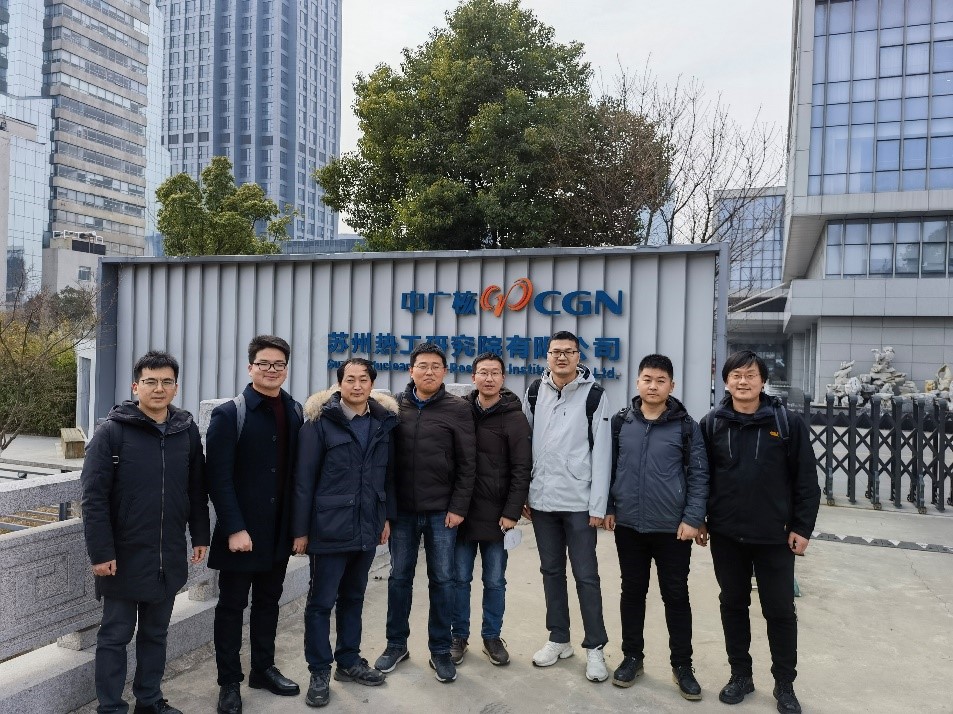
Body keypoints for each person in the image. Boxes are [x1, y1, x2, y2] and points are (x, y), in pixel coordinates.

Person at [81, 350, 210, 714]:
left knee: (156, 633)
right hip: (123, 555)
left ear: (176, 387)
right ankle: (110, 707)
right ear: (135, 386)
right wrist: (101, 553)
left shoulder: (185, 431)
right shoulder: (112, 432)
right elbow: (93, 498)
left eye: (166, 382)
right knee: (115, 635)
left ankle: (149, 701)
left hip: (168, 552)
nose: (158, 388)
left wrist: (201, 535)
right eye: (150, 381)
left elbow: (196, 489)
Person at [697, 350, 820, 714]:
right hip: (726, 535)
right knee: (733, 605)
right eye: (736, 375)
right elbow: (700, 477)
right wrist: (699, 518)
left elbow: (806, 480)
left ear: (762, 380)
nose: (743, 381)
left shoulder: (786, 422)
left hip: (775, 536)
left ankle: (785, 683)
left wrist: (802, 527)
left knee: (780, 610)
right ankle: (740, 675)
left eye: (750, 375)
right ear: (725, 381)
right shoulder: (712, 424)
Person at [292, 358, 399, 707]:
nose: (356, 385)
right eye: (349, 379)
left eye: (363, 379)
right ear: (339, 385)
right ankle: (319, 670)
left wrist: (385, 518)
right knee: (321, 603)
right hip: (329, 528)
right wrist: (301, 531)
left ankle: (349, 661)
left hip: (367, 525)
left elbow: (386, 476)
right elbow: (303, 481)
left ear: (372, 384)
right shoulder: (320, 423)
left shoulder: (383, 422)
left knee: (354, 597)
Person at [206, 335, 304, 714]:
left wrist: (297, 527)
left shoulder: (294, 410)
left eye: (278, 364)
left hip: (278, 532)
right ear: (250, 367)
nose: (271, 370)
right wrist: (234, 527)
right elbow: (218, 478)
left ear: (286, 369)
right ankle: (229, 681)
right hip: (241, 533)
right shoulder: (229, 414)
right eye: (264, 363)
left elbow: (295, 475)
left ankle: (263, 669)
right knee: (231, 607)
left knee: (268, 604)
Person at [603, 354, 709, 699]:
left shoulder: (686, 426)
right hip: (629, 525)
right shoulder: (621, 422)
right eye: (647, 379)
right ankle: (632, 657)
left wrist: (693, 518)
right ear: (637, 382)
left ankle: (682, 665)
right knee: (632, 592)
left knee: (675, 595)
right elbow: (608, 468)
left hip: (672, 529)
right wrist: (608, 507)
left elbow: (699, 475)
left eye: (660, 381)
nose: (653, 386)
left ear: (671, 386)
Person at [374, 342, 476, 684]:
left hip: (441, 513)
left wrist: (458, 507)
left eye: (435, 366)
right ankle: (396, 645)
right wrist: (386, 511)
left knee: (443, 580)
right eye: (422, 365)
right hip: (402, 512)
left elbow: (467, 463)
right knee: (399, 578)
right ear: (411, 370)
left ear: (444, 372)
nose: (429, 371)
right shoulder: (393, 407)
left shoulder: (458, 409)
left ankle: (441, 649)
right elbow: (384, 463)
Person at [522, 330, 612, 682]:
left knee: (586, 576)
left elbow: (602, 452)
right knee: (551, 572)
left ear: (578, 356)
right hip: (543, 501)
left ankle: (595, 647)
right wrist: (525, 494)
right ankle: (559, 638)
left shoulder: (594, 395)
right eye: (555, 351)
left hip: (579, 502)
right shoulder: (535, 391)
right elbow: (524, 445)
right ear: (547, 356)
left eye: (569, 351)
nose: (562, 357)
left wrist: (598, 505)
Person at [449, 353, 531, 667]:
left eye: (495, 373)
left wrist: (512, 512)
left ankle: (492, 636)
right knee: (459, 579)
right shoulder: (461, 411)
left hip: (498, 517)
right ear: (473, 377)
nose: (489, 378)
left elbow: (522, 468)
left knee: (495, 580)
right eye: (483, 372)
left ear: (503, 378)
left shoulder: (514, 417)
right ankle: (458, 636)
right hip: (463, 513)